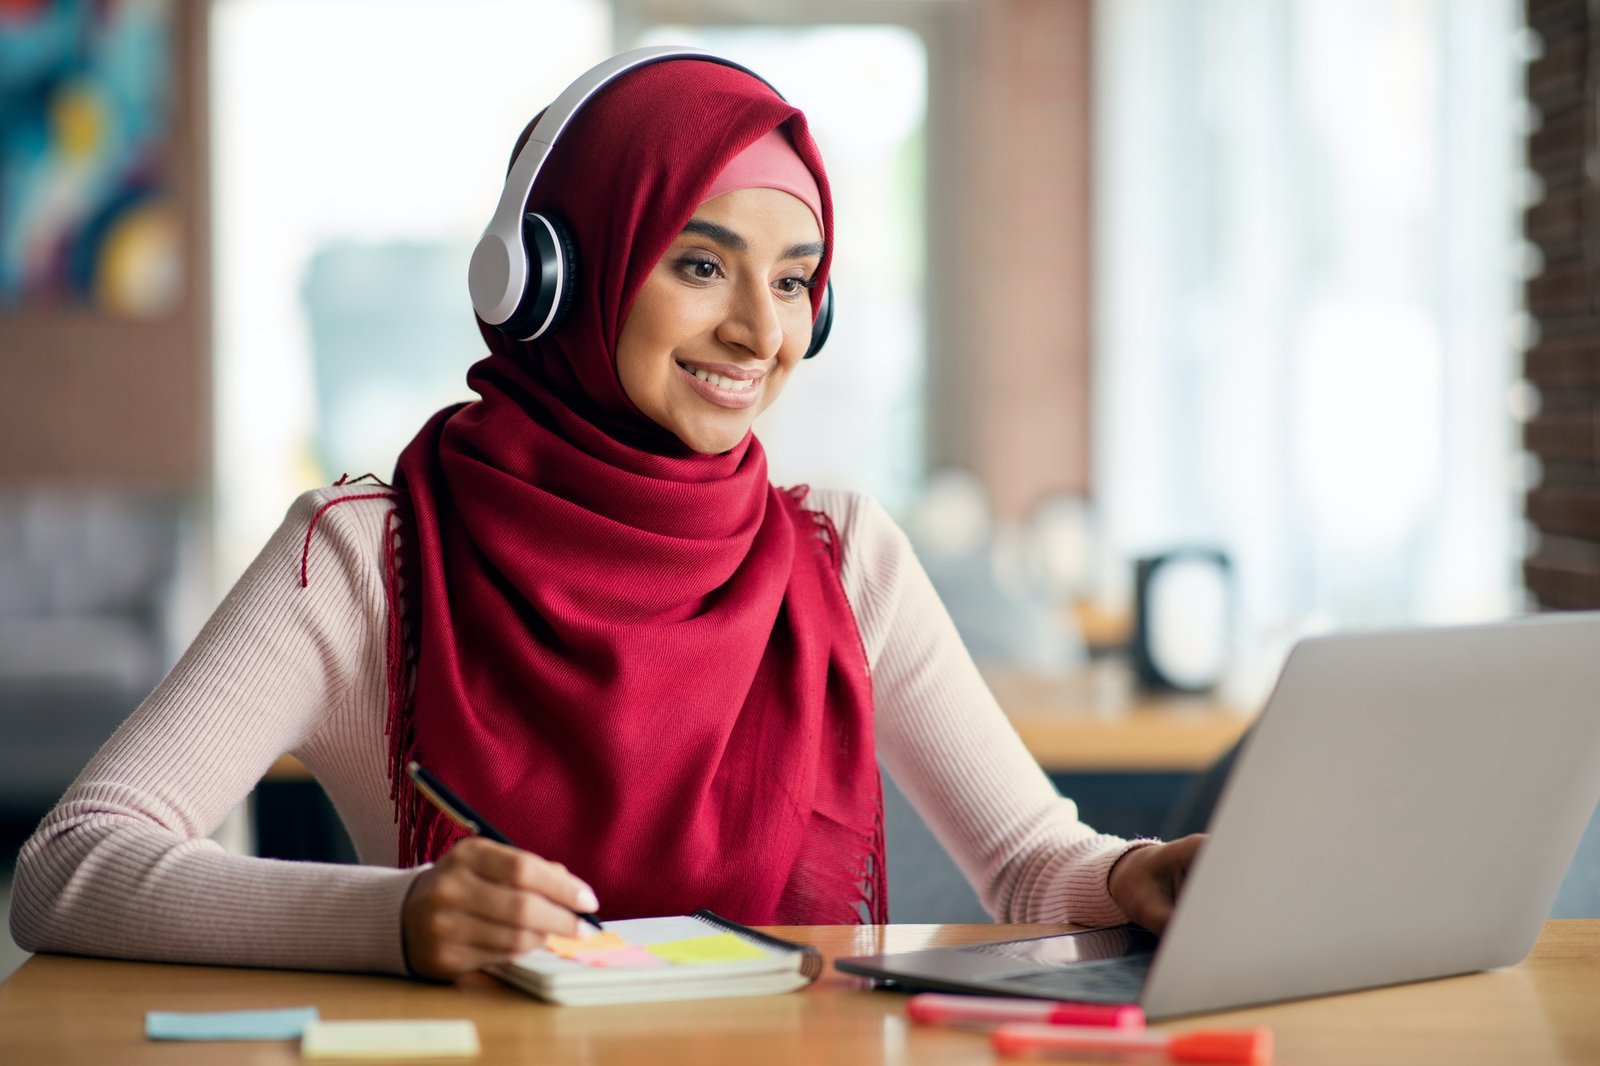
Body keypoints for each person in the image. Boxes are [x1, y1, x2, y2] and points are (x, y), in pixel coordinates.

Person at [10, 50, 1201, 982]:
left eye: (794, 281)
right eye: (699, 264)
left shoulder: (842, 557)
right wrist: (400, 918)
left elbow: (1038, 867)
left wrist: (1142, 876)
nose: (759, 331)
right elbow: (71, 866)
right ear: (548, 274)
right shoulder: (367, 553)